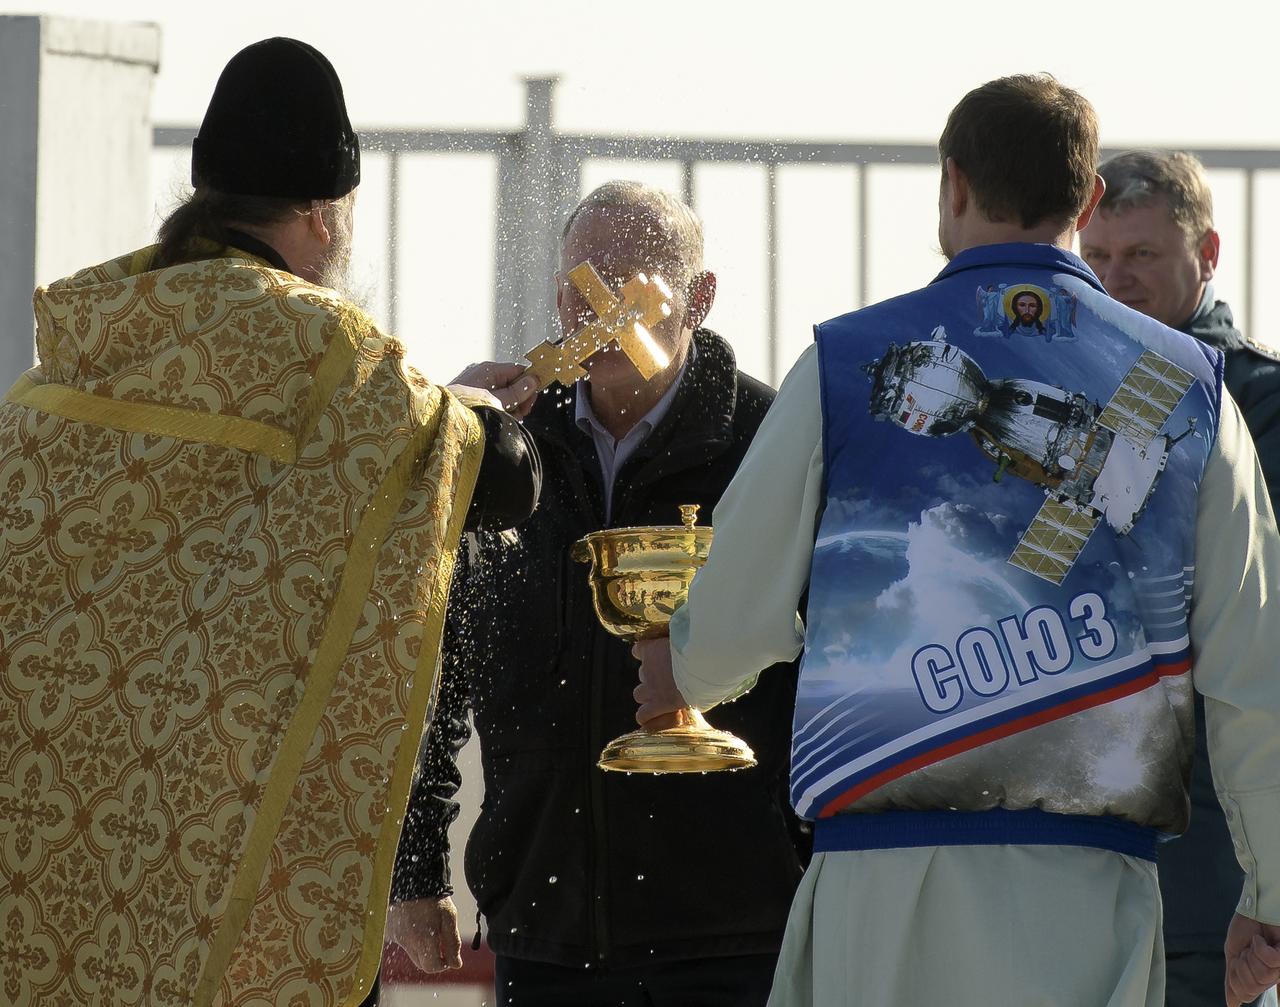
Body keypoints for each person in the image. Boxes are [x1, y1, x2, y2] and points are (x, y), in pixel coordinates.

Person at [633, 75, 1280, 1007]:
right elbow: (1255, 667)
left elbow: (737, 608)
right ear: (1088, 198)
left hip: (882, 877)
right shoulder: (1189, 387)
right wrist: (1268, 889)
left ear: (952, 183)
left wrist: (682, 668)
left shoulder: (846, 362)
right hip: (1092, 886)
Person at [0, 38, 540, 1007]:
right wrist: (469, 416)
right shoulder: (329, 353)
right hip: (224, 845)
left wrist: (437, 403)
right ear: (326, 215)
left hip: (58, 840)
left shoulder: (81, 350)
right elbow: (503, 482)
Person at [385, 181, 808, 1006]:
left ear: (700, 297)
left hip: (731, 925)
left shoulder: (769, 441)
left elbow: (822, 662)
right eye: (584, 283)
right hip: (547, 921)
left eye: (632, 281)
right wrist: (416, 866)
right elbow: (440, 656)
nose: (604, 307)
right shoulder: (504, 453)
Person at [1082, 149, 1280, 1007]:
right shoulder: (1056, 394)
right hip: (1067, 862)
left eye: (1142, 256)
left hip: (1209, 877)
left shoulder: (1261, 407)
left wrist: (1268, 889)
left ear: (1209, 254)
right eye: (1096, 258)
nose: (1114, 280)